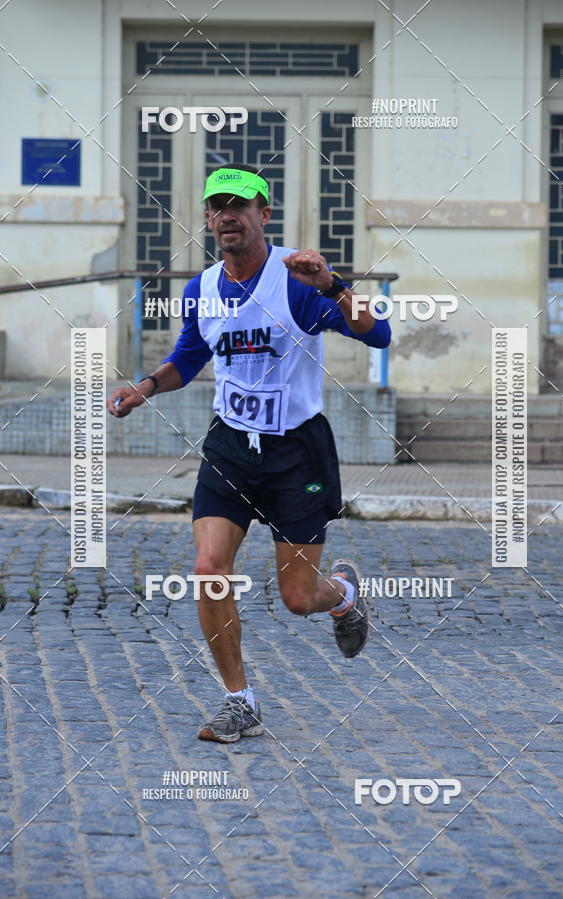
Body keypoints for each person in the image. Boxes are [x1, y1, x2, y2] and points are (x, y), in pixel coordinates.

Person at [108, 163, 391, 743]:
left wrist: (334, 285)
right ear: (208, 219)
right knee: (209, 569)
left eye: (241, 205)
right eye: (217, 206)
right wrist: (146, 386)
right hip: (231, 448)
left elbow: (378, 334)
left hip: (298, 454)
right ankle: (240, 701)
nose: (227, 215)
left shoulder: (297, 280)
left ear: (264, 214)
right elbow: (189, 357)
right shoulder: (201, 290)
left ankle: (342, 596)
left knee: (296, 597)